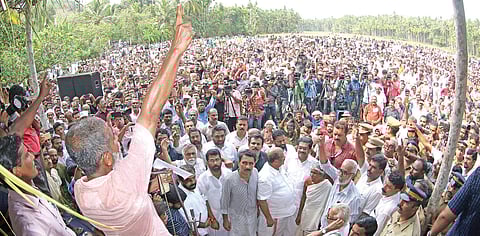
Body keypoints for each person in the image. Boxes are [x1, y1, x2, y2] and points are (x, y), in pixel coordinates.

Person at [64, 6, 192, 235]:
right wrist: (176, 50)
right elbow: (151, 112)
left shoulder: (82, 192)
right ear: (106, 159)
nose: (117, 135)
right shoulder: (125, 184)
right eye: (112, 137)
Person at [1, 79, 76, 235]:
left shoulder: (27, 188)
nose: (32, 154)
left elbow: (18, 130)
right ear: (16, 171)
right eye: (26, 154)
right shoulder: (31, 226)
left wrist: (41, 97)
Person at [429, 168, 480, 236]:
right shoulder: (439, 198)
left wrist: (431, 233)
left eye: (456, 186)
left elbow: (446, 216)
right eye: (452, 183)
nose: (452, 188)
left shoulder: (477, 176)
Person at [258, 147, 297, 236]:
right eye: (283, 158)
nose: (285, 159)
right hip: (274, 216)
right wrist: (269, 218)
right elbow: (262, 201)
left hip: (285, 213)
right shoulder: (265, 177)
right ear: (275, 161)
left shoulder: (279, 167)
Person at [221, 149, 258, 236]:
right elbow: (224, 201)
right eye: (244, 163)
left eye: (251, 163)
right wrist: (225, 220)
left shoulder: (255, 173)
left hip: (252, 216)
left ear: (254, 164)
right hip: (237, 218)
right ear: (238, 163)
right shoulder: (229, 179)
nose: (247, 167)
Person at [197, 148, 232, 236]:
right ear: (207, 162)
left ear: (221, 160)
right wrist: (212, 219)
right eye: (212, 161)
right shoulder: (202, 179)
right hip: (215, 216)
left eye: (217, 160)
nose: (215, 163)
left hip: (231, 214)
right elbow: (204, 201)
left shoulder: (229, 174)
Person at [296, 163, 332, 236]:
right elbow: (303, 198)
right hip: (306, 213)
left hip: (317, 217)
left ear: (323, 175)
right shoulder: (308, 181)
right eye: (311, 172)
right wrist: (299, 214)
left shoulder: (327, 186)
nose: (312, 175)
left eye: (315, 173)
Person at [178, 165, 210, 236]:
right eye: (188, 180)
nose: (192, 182)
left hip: (207, 229)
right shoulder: (180, 196)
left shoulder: (195, 186)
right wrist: (203, 225)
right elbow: (187, 219)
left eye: (193, 178)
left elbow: (204, 199)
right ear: (180, 180)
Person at [373, 170, 405, 236]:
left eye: (389, 187)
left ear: (397, 190)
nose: (384, 187)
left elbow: (376, 231)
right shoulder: (391, 193)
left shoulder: (387, 209)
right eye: (385, 183)